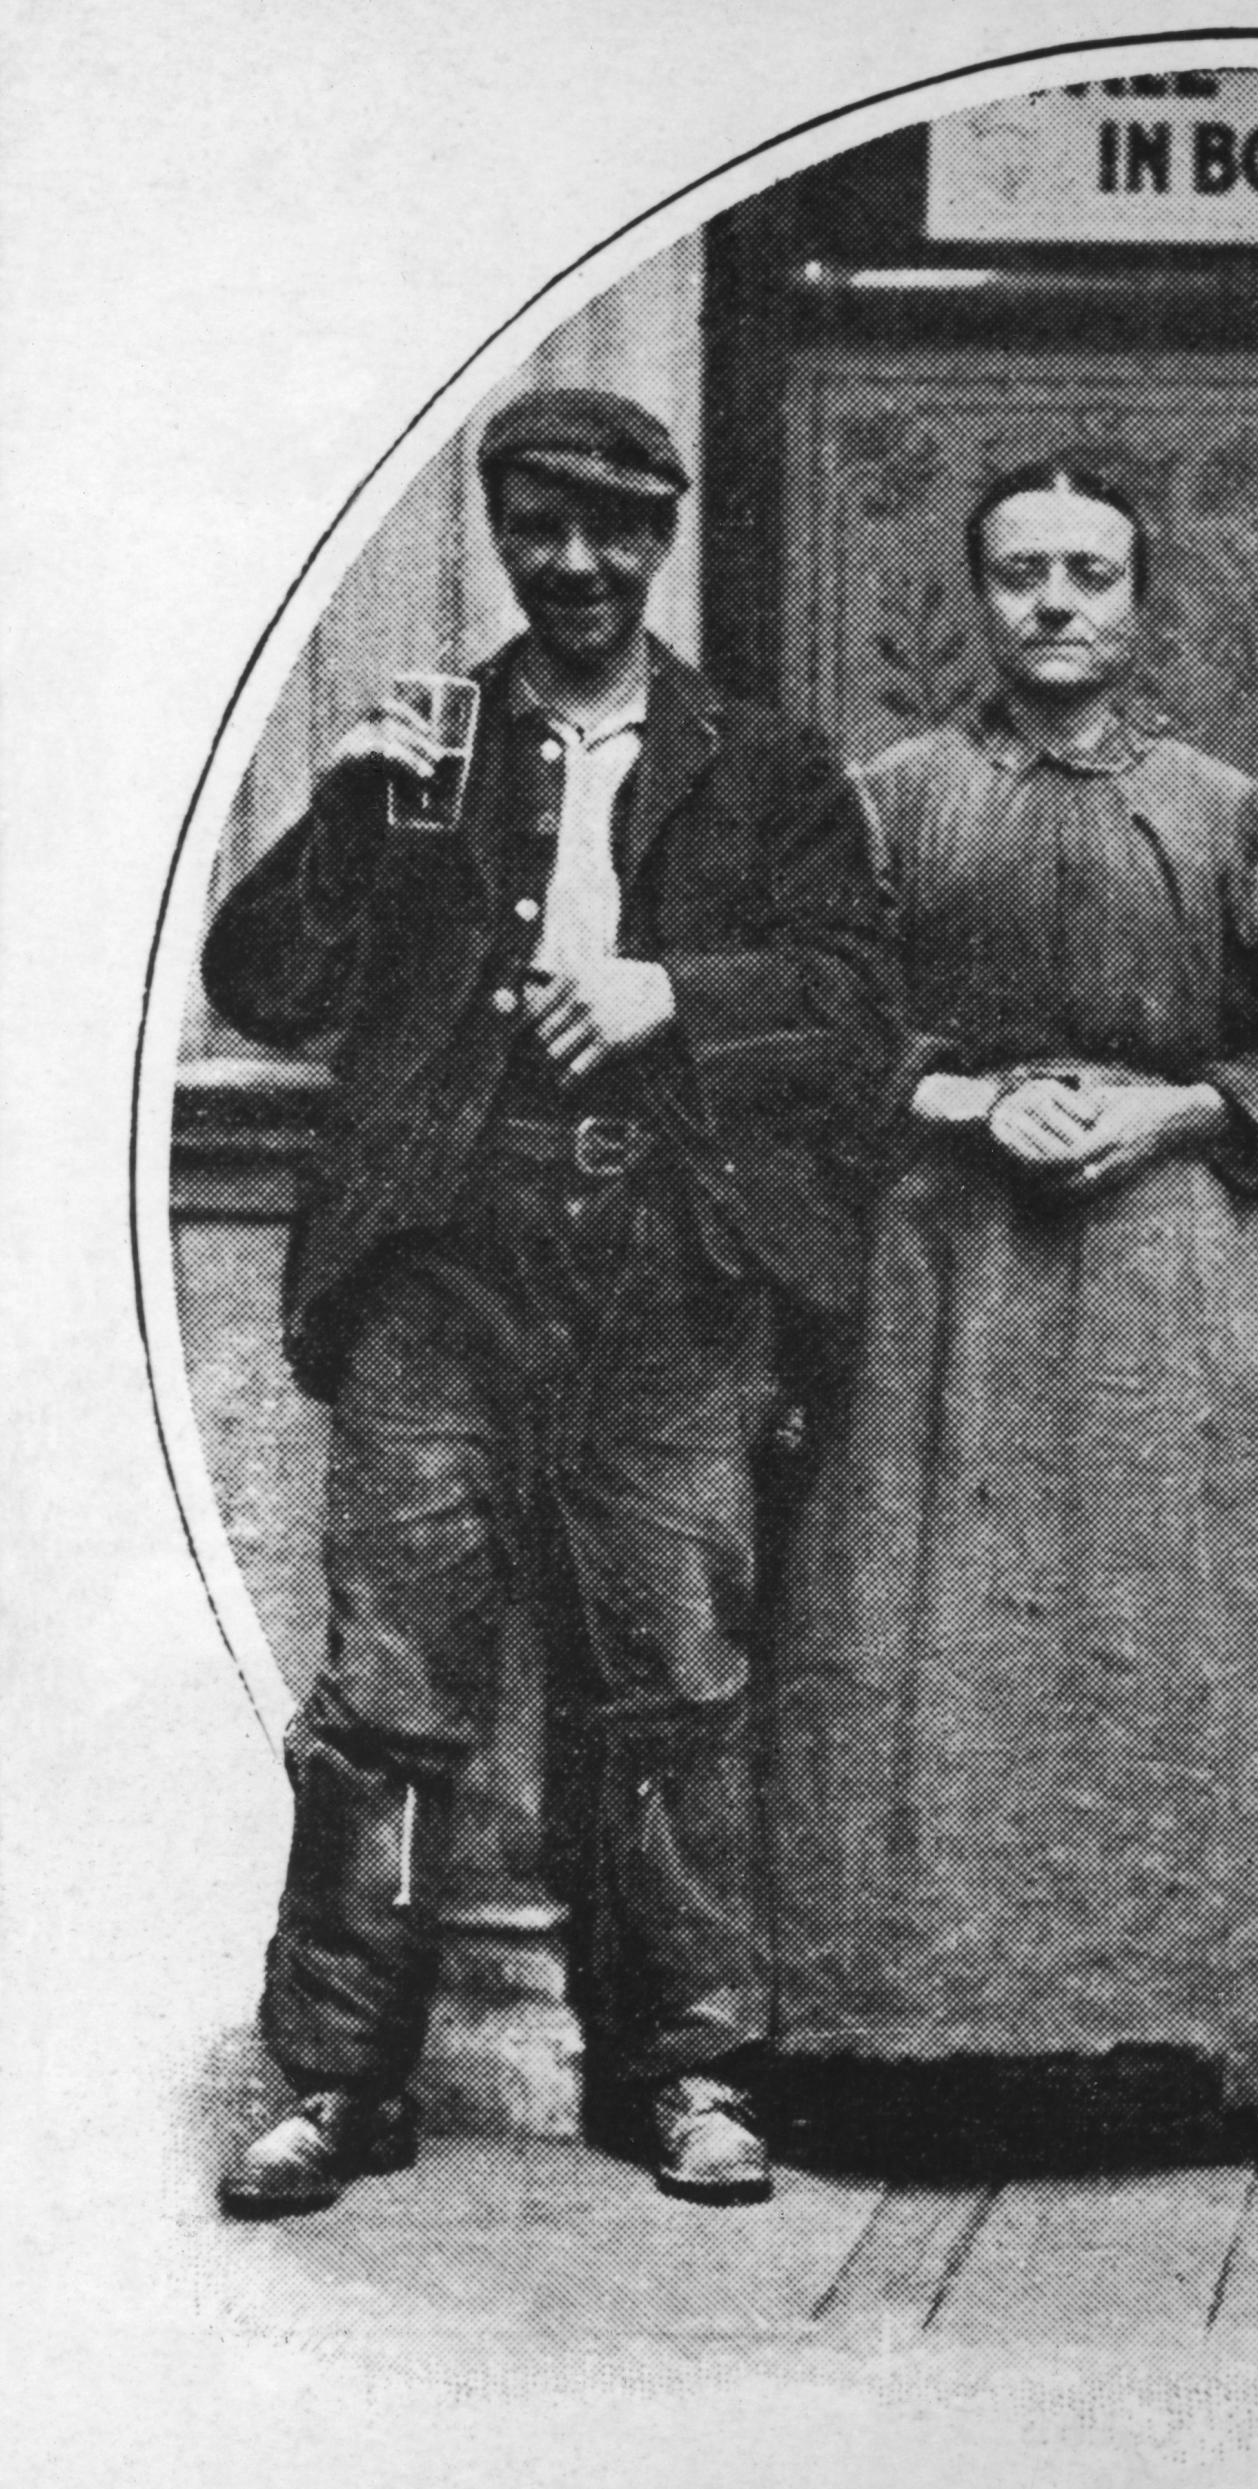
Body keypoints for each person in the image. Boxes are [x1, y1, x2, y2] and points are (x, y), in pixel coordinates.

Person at [208, 387, 898, 2216]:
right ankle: (344, 2078)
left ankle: (686, 2072)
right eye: (541, 529)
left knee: (673, 1676)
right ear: (504, 536)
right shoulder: (430, 746)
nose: (577, 564)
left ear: (663, 538)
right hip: (446, 1262)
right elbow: (265, 984)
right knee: (389, 1693)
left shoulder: (765, 762)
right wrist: (343, 816)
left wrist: (678, 990)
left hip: (672, 1265)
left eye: (613, 531)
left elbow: (856, 1010)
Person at [766, 463, 1258, 2137]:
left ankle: (1175, 2045)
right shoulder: (890, 798)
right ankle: (924, 2043)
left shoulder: (1233, 808)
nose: (1058, 604)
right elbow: (826, 1023)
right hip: (952, 1261)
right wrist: (967, 1104)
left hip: (1174, 1263)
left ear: (1141, 600)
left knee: (1165, 1641)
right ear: (979, 599)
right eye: (1022, 574)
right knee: (937, 1638)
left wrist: (1176, 1109)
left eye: (1092, 572)